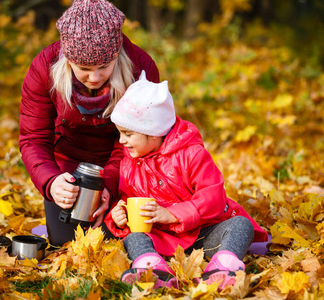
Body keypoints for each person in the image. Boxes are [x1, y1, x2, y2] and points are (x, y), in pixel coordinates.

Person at [104, 71, 268, 290]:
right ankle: (152, 268)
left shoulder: (191, 154)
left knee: (241, 225)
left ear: (152, 133)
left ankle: (224, 267)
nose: (122, 141)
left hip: (203, 234)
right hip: (162, 239)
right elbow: (128, 199)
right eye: (120, 133)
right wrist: (119, 215)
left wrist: (172, 214)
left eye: (127, 133)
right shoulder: (129, 162)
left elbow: (213, 197)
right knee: (134, 237)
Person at [19, 0, 160, 247]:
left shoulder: (142, 68)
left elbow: (142, 140)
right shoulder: (43, 68)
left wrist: (110, 186)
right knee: (66, 242)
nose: (94, 78)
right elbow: (33, 139)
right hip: (69, 169)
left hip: (128, 165)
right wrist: (52, 182)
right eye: (83, 68)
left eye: (104, 66)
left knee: (127, 236)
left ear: (116, 54)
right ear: (67, 59)